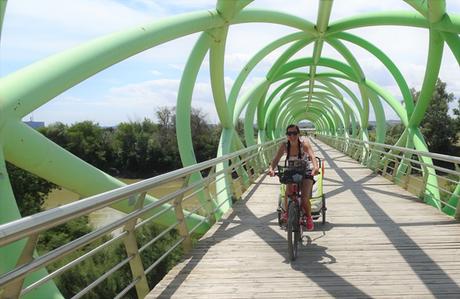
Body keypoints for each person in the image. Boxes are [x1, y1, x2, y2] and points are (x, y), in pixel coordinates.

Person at [268, 124, 319, 231]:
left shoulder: (304, 144)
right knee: (288, 192)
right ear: (287, 135)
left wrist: (315, 167)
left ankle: (309, 217)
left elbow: (313, 156)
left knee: (305, 198)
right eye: (289, 133)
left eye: (294, 133)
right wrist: (271, 169)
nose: (292, 136)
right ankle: (287, 212)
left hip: (305, 171)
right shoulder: (284, 146)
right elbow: (276, 159)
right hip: (291, 171)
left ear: (298, 134)